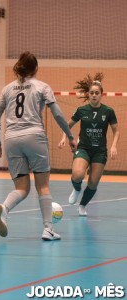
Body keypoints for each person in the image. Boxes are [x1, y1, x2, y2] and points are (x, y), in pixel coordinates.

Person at [0, 51, 77, 241]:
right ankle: (48, 229)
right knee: (43, 186)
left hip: (11, 139)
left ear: (18, 67)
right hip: (34, 137)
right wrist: (70, 136)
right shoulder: (42, 87)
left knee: (22, 187)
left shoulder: (7, 89)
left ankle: (4, 209)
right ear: (36, 68)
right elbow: (58, 115)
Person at [58, 73, 119, 216]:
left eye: (97, 93)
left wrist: (114, 145)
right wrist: (64, 137)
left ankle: (82, 206)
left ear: (101, 95)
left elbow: (116, 131)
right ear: (88, 94)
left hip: (100, 152)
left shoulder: (108, 111)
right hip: (84, 148)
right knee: (78, 174)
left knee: (92, 183)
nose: (94, 95)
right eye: (91, 93)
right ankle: (77, 188)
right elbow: (67, 125)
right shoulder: (82, 110)